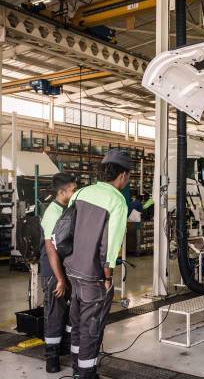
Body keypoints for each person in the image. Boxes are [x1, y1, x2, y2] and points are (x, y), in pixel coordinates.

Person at [64, 149, 130, 379]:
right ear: (122, 175)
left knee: (76, 324)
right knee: (92, 327)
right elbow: (111, 246)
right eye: (128, 176)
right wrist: (108, 277)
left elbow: (67, 232)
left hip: (72, 269)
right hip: (94, 275)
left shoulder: (80, 193)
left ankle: (75, 368)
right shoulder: (117, 201)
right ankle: (87, 373)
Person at [40, 172, 77, 373]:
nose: (75, 192)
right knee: (55, 312)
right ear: (62, 191)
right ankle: (51, 358)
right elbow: (50, 248)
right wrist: (60, 279)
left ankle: (66, 347)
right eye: (72, 189)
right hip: (54, 271)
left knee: (70, 311)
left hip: (65, 269)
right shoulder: (52, 213)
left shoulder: (67, 209)